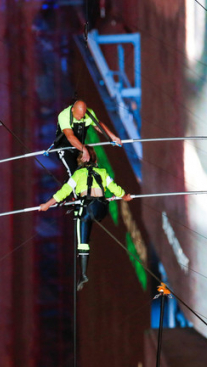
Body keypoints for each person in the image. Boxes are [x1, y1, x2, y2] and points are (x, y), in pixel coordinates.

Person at [40, 146, 132, 290]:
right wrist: (125, 196)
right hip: (102, 210)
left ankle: (83, 274)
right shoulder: (102, 172)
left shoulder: (77, 174)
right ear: (95, 161)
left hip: (87, 210)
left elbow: (62, 193)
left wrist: (47, 204)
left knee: (82, 239)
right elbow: (114, 188)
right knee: (87, 207)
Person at [52, 100, 122, 178]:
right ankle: (74, 188)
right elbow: (70, 137)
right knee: (73, 171)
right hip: (64, 147)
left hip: (79, 147)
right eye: (78, 115)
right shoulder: (64, 115)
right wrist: (84, 150)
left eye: (82, 116)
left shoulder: (89, 114)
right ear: (73, 109)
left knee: (91, 170)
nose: (79, 118)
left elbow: (99, 126)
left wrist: (113, 137)